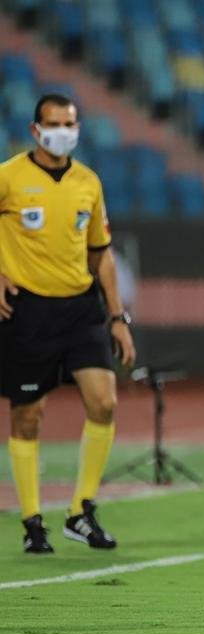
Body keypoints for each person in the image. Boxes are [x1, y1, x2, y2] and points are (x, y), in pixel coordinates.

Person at [0, 94, 136, 554]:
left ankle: (81, 510)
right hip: (28, 310)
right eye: (54, 124)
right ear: (35, 130)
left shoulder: (88, 183)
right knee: (27, 414)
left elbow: (101, 252)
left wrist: (117, 317)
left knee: (104, 403)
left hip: (81, 308)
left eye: (70, 124)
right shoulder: (9, 177)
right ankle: (32, 520)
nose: (64, 131)